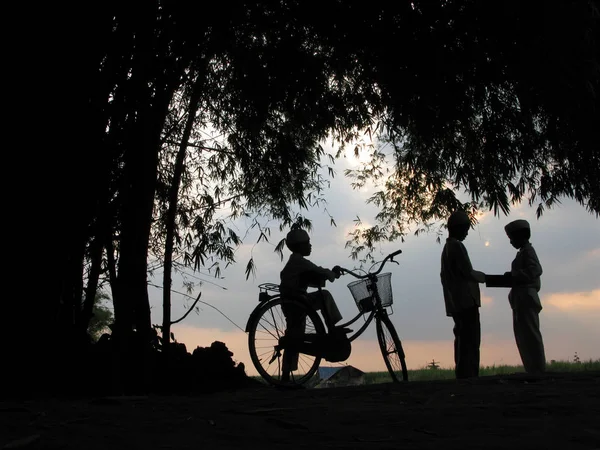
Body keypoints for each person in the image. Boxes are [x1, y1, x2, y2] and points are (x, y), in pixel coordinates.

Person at [440, 210, 486, 379]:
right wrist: (486, 278)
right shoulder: (457, 246)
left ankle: (463, 372)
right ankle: (469, 373)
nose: (467, 233)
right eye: (465, 229)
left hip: (457, 301)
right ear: (458, 229)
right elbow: (468, 272)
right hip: (466, 300)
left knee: (462, 338)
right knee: (470, 339)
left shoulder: (447, 248)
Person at [279, 226, 344, 330]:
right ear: (300, 246)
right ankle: (332, 328)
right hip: (298, 302)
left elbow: (313, 276)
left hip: (293, 302)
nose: (310, 245)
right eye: (307, 243)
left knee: (295, 332)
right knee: (325, 295)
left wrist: (328, 275)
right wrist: (332, 274)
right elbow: (318, 270)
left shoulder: (294, 261)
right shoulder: (299, 261)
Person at [504, 219, 546, 374]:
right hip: (520, 299)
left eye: (511, 238)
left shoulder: (528, 252)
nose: (511, 242)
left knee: (530, 336)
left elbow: (535, 270)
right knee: (523, 336)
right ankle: (532, 368)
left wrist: (515, 275)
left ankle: (537, 369)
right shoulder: (523, 252)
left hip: (526, 298)